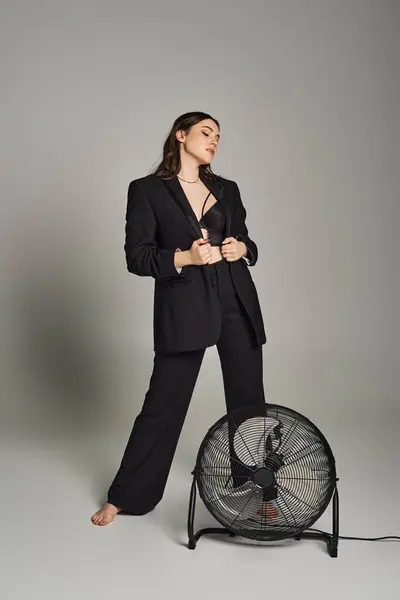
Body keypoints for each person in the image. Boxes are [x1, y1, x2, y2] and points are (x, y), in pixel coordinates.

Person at [91, 111, 279, 526]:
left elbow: (248, 240)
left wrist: (241, 249)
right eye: (206, 132)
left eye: (219, 136)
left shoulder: (227, 189)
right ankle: (126, 496)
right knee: (163, 403)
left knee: (249, 404)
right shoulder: (147, 190)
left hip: (236, 299)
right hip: (186, 306)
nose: (214, 141)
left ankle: (261, 490)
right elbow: (136, 257)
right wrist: (186, 257)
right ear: (181, 135)